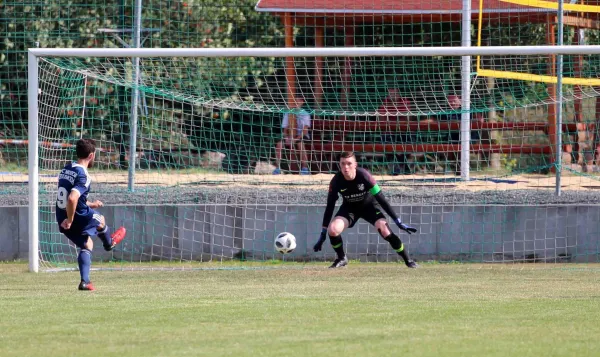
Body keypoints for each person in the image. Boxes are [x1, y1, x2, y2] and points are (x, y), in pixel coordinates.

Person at [313, 151, 418, 268]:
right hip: (350, 208)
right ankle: (341, 258)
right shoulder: (336, 181)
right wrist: (323, 231)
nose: (345, 167)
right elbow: (330, 206)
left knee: (385, 230)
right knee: (333, 230)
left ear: (355, 164)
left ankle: (408, 260)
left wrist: (397, 221)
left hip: (370, 207)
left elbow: (382, 199)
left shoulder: (365, 176)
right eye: (342, 164)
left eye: (349, 163)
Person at [56, 138, 126, 291]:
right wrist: (70, 219)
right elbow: (72, 198)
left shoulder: (66, 170)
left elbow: (73, 197)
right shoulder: (84, 175)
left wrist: (90, 204)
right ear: (91, 155)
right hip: (75, 216)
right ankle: (109, 243)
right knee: (101, 220)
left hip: (61, 217)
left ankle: (85, 282)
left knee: (87, 244)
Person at [273, 98, 311, 175]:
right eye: (294, 101)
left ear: (302, 102)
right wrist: (287, 137)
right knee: (279, 144)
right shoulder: (288, 113)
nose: (296, 103)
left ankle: (304, 168)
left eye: (298, 101)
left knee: (300, 144)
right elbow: (285, 128)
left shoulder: (305, 114)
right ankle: (277, 168)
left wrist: (296, 139)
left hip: (301, 136)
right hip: (290, 136)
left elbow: (305, 130)